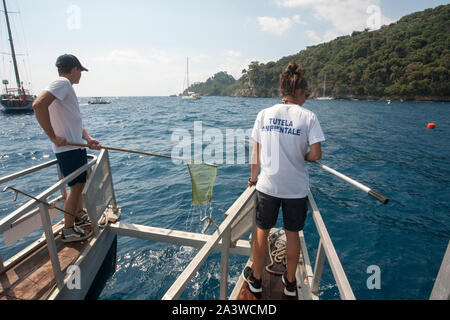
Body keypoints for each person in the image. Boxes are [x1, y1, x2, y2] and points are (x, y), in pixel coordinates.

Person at [243, 62, 325, 297]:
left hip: (268, 186)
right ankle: (290, 285)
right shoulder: (308, 116)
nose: (306, 99)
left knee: (262, 232)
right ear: (299, 92)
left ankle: (256, 279)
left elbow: (255, 154)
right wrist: (303, 155)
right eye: (306, 95)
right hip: (296, 189)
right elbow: (317, 154)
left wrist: (252, 178)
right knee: (292, 235)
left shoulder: (264, 114)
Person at [33, 54, 102, 243]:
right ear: (74, 69)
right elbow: (38, 105)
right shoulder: (63, 84)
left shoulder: (64, 88)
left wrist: (88, 139)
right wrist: (52, 137)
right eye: (80, 71)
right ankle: (69, 230)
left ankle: (78, 214)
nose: (81, 75)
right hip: (68, 150)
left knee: (79, 184)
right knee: (77, 186)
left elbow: (73, 121)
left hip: (76, 147)